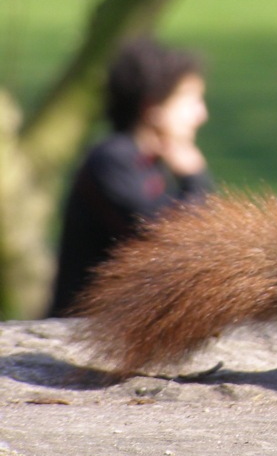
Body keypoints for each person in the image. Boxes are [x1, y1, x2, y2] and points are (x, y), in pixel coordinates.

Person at [48, 37, 213, 317]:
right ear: (153, 108)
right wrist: (195, 179)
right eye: (190, 100)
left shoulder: (148, 163)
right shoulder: (113, 161)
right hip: (81, 328)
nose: (202, 115)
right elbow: (172, 243)